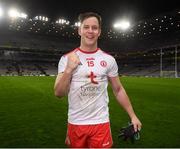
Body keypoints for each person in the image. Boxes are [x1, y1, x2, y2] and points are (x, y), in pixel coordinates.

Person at [54, 12, 142, 148]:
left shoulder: (108, 60)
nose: (90, 31)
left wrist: (133, 115)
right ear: (79, 30)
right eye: (86, 27)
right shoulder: (67, 59)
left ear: (99, 32)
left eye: (94, 28)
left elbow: (118, 90)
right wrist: (68, 70)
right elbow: (59, 93)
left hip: (101, 123)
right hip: (76, 123)